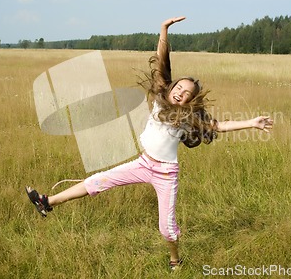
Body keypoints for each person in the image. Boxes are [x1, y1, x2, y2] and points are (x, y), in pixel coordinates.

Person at [26, 16, 273, 271]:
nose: (181, 92)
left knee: (166, 229)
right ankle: (47, 202)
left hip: (166, 173)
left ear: (190, 100)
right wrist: (163, 31)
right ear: (172, 86)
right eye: (179, 87)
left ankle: (175, 259)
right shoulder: (159, 97)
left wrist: (251, 122)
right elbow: (162, 63)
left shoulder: (189, 118)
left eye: (187, 93)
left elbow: (217, 126)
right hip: (144, 163)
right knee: (96, 181)